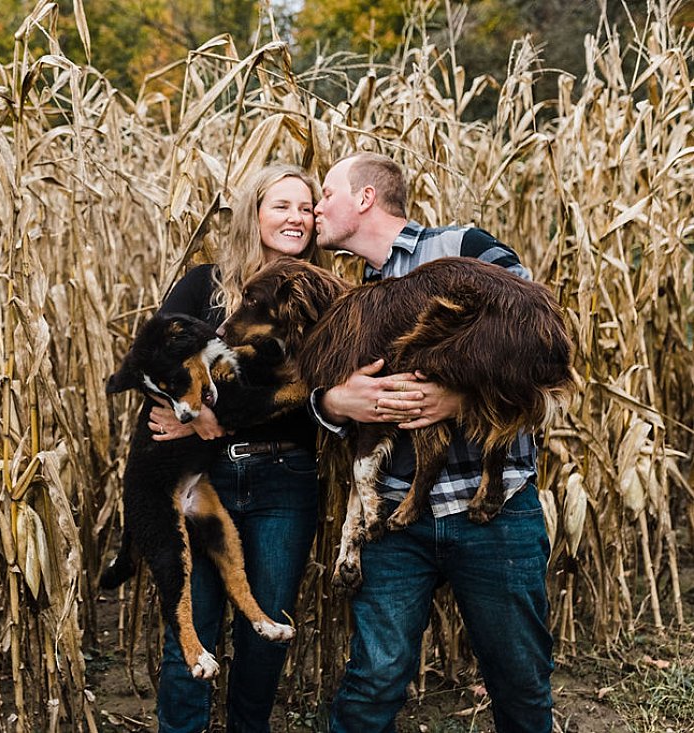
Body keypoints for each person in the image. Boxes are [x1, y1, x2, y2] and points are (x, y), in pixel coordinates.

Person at [309, 152, 554, 732]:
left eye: (325, 194)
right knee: (373, 679)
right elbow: (329, 402)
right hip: (395, 517)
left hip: (493, 508)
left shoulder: (464, 248)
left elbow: (538, 343)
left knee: (519, 679)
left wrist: (460, 398)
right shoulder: (353, 297)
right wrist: (333, 402)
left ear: (365, 199)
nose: (316, 209)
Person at [146, 164, 323, 732]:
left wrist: (205, 417)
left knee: (265, 630)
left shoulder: (318, 297)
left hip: (285, 478)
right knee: (189, 633)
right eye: (282, 205)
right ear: (254, 213)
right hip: (204, 480)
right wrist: (193, 420)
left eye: (306, 208)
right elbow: (153, 359)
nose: (296, 217)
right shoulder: (205, 285)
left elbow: (307, 392)